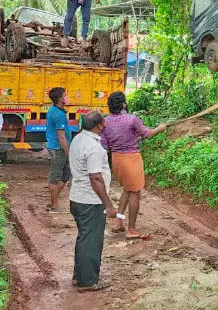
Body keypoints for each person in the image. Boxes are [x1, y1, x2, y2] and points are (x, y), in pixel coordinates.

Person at [100, 91, 166, 240]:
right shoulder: (132, 119)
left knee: (127, 190)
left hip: (116, 159)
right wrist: (160, 128)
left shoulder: (106, 121)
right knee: (135, 193)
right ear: (123, 104)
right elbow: (147, 134)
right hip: (131, 158)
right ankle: (131, 229)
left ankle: (119, 221)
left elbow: (103, 144)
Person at [68, 111, 115, 292]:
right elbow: (95, 178)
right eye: (103, 123)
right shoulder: (94, 148)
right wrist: (108, 204)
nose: (105, 125)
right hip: (90, 201)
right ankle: (87, 281)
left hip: (77, 198)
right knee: (92, 241)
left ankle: (79, 275)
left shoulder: (78, 139)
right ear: (99, 126)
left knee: (84, 238)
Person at [45, 87, 72, 212]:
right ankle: (54, 204)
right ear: (60, 99)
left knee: (66, 174)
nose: (67, 97)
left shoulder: (57, 111)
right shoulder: (58, 114)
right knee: (55, 177)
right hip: (58, 149)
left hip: (59, 148)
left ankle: (53, 200)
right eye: (65, 94)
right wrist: (69, 153)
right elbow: (61, 137)